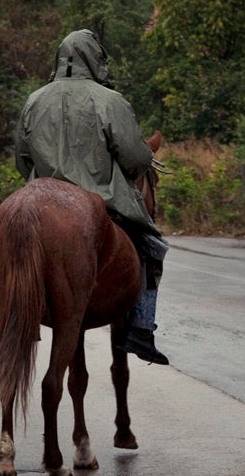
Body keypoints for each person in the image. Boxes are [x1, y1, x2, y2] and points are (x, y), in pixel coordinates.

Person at [14, 29, 170, 365]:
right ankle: (141, 328)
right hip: (105, 199)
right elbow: (136, 159)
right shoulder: (110, 101)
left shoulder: (34, 100)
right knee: (153, 248)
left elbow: (21, 160)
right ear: (96, 60)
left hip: (43, 197)